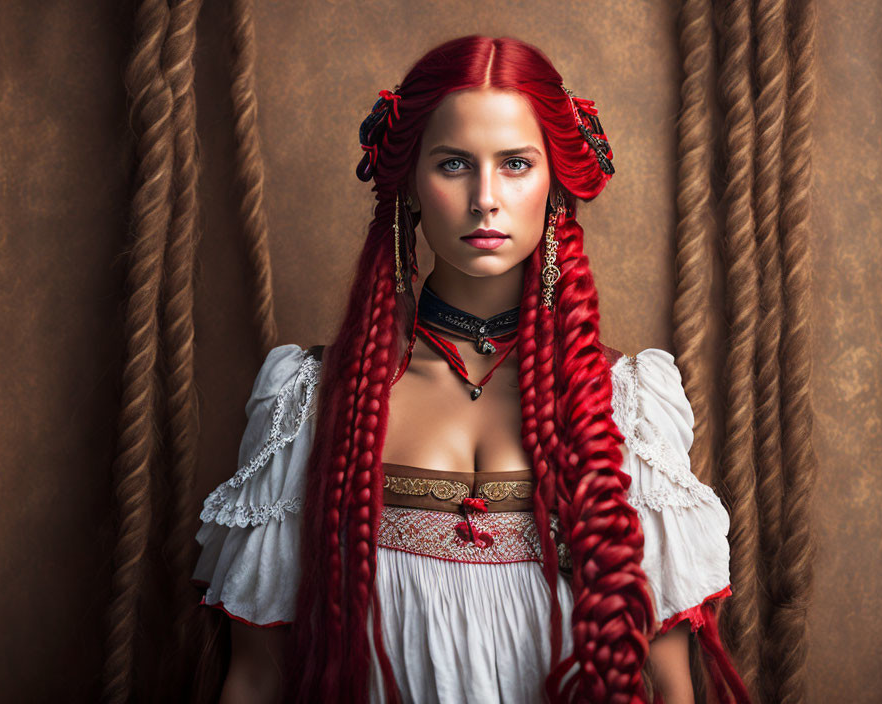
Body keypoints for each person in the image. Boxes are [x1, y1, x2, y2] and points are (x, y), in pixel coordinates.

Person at [191, 35, 750, 704]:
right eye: (454, 165)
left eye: (515, 164)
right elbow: (257, 677)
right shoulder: (308, 399)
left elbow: (671, 686)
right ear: (411, 187)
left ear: (553, 186)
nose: (486, 198)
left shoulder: (627, 405)